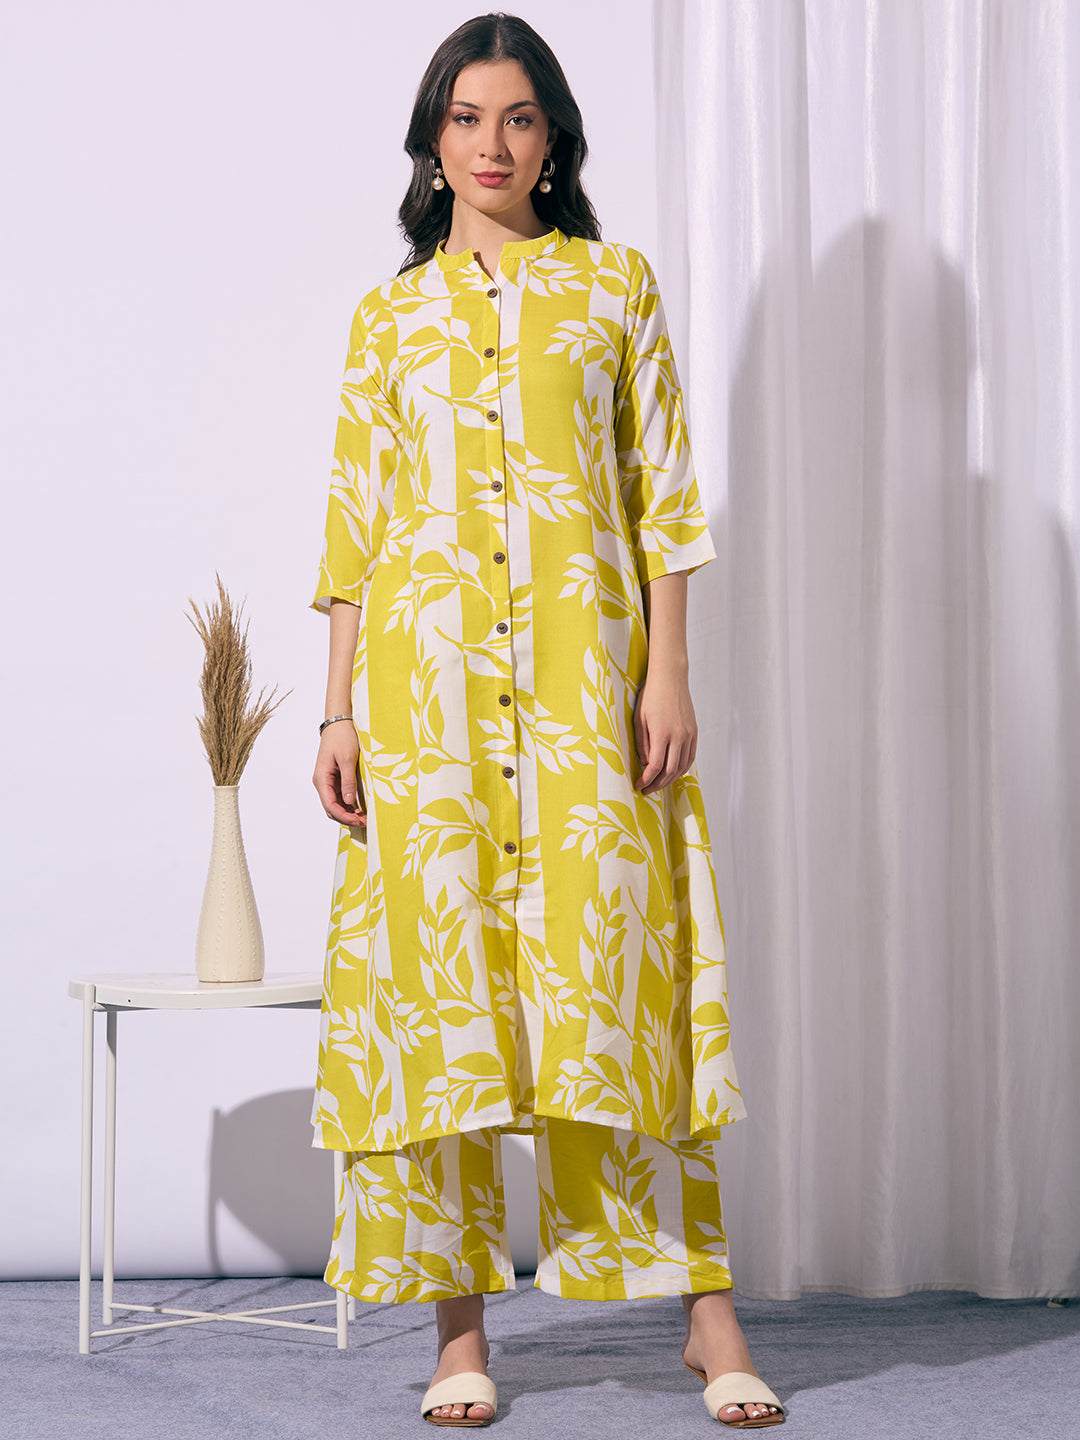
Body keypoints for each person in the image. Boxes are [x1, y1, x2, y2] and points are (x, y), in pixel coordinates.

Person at [310, 11, 784, 1430]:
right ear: (432, 141)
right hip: (426, 701)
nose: (492, 144)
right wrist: (337, 712)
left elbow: (662, 497)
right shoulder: (388, 320)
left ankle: (707, 1317)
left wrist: (668, 671)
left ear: (555, 139)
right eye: (466, 118)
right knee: (442, 1001)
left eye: (519, 118)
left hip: (587, 691)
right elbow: (355, 531)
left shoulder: (614, 287)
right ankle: (460, 1337)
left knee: (622, 981)